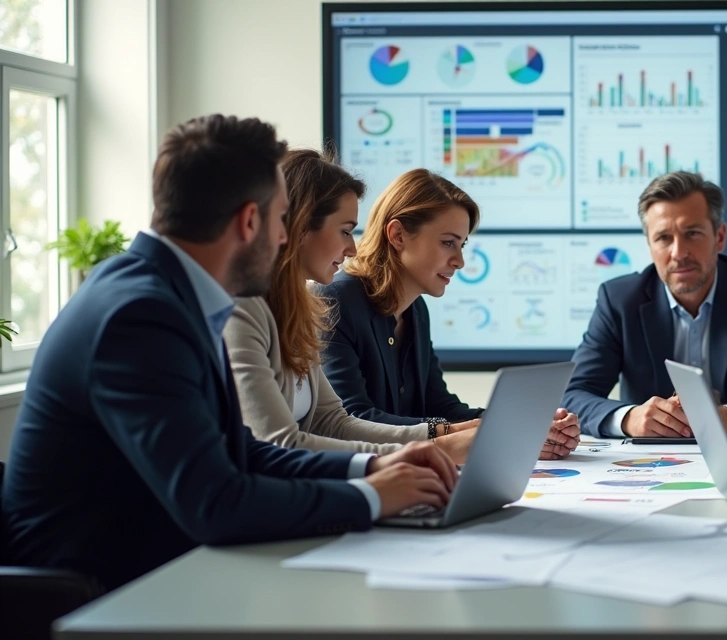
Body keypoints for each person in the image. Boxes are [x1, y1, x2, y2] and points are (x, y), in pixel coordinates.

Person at [1, 115, 458, 590]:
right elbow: (214, 503)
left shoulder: (167, 294)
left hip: (151, 568)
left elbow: (241, 453)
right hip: (93, 594)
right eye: (282, 219)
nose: (286, 237)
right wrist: (371, 498)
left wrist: (372, 466)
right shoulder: (140, 316)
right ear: (249, 221)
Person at [224, 149, 501, 462]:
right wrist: (435, 447)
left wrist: (452, 434)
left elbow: (332, 422)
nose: (352, 248)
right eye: (344, 230)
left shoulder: (296, 309)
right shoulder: (243, 311)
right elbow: (279, 444)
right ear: (299, 226)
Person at [317, 169, 580, 458]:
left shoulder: (415, 310)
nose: (460, 261)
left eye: (462, 244)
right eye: (448, 243)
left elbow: (439, 407)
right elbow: (353, 419)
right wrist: (492, 431)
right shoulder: (335, 301)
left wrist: (527, 424)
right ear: (397, 235)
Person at [563, 171, 727, 439]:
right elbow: (572, 394)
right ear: (649, 244)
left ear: (719, 237)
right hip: (647, 465)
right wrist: (629, 418)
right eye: (663, 238)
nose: (678, 253)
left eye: (692, 233)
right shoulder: (619, 300)